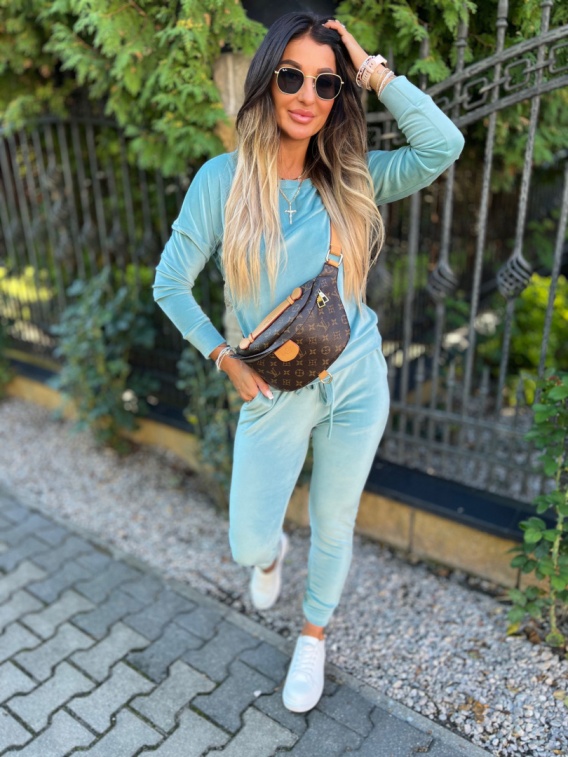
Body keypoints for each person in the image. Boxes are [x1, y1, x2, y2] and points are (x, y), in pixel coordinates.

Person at [153, 12, 464, 713]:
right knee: (246, 542)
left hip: (355, 379)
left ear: (337, 97)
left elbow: (443, 144)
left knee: (334, 520)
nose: (307, 96)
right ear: (267, 80)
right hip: (273, 390)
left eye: (326, 83)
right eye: (292, 76)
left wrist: (371, 70)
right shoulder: (223, 181)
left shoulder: (352, 180)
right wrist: (224, 357)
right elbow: (169, 283)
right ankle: (271, 557)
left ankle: (313, 636)